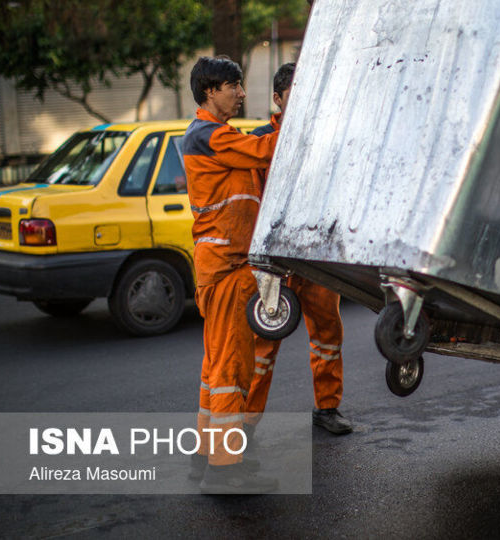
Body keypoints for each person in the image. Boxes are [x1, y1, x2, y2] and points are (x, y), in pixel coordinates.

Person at [182, 55, 280, 494]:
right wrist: (290, 120)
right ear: (210, 91)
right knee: (230, 368)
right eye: (234, 86)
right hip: (225, 266)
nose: (241, 93)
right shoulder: (209, 136)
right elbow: (264, 151)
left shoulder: (214, 136)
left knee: (213, 367)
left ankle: (204, 457)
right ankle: (224, 469)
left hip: (221, 263)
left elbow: (251, 150)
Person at [243, 62, 352, 436]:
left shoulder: (325, 139)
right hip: (275, 262)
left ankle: (329, 408)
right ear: (277, 99)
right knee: (263, 343)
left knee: (327, 334)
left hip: (316, 256)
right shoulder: (260, 143)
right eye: (294, 95)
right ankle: (246, 420)